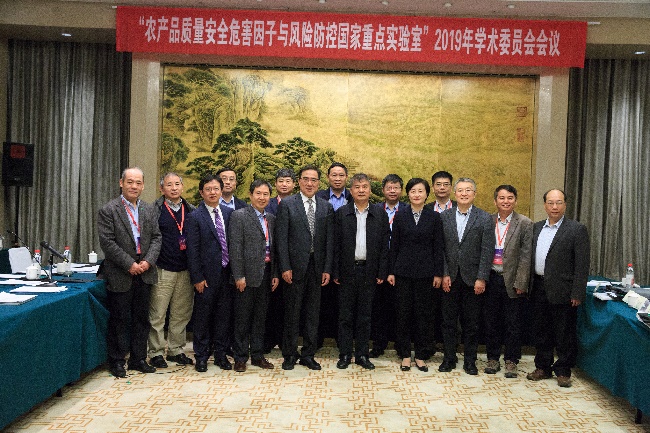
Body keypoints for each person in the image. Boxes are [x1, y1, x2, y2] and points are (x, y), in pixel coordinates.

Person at [98, 167, 162, 378]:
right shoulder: (109, 210)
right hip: (121, 273)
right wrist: (129, 264)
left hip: (145, 271)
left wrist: (147, 261)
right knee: (119, 319)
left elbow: (157, 238)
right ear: (121, 183)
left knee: (142, 319)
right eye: (130, 182)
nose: (134, 186)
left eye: (138, 183)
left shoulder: (148, 209)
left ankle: (138, 359)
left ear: (143, 186)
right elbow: (108, 243)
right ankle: (117, 361)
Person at [527, 189, 589, 388]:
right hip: (538, 286)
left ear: (565, 204)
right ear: (545, 205)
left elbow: (582, 265)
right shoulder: (536, 228)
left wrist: (577, 292)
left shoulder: (576, 229)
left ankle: (563, 370)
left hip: (564, 289)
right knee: (541, 330)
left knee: (564, 333)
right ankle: (542, 367)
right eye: (551, 203)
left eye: (559, 202)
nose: (555, 207)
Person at [276, 164, 334, 371]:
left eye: (314, 180)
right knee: (292, 313)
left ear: (319, 183)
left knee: (313, 313)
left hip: (317, 268)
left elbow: (329, 241)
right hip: (293, 268)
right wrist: (285, 266)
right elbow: (281, 239)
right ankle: (289, 354)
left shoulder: (326, 206)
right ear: (299, 181)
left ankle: (308, 354)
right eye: (306, 179)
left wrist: (327, 268)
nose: (310, 183)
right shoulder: (287, 204)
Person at [333, 173, 390, 370]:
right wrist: (335, 271)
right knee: (345, 316)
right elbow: (336, 245)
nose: (361, 190)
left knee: (365, 316)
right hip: (347, 271)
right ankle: (345, 354)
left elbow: (384, 247)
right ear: (351, 191)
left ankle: (362, 355)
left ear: (370, 190)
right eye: (357, 187)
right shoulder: (342, 213)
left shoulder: (379, 214)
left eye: (364, 186)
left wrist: (382, 271)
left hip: (369, 271)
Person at [387, 178, 444, 372]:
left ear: (427, 194)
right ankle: (404, 354)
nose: (417, 194)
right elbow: (394, 245)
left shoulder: (434, 217)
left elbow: (438, 247)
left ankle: (421, 354)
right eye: (413, 191)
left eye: (420, 191)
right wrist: (391, 271)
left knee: (423, 315)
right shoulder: (400, 216)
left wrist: (438, 273)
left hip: (426, 274)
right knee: (403, 314)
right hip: (403, 273)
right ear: (408, 194)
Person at [439, 177, 494, 375]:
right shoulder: (444, 217)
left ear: (474, 194)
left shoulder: (485, 218)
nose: (464, 193)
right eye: (460, 190)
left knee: (471, 323)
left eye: (468, 190)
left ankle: (470, 361)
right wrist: (444, 273)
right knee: (448, 322)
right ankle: (449, 358)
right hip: (450, 278)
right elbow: (440, 249)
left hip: (473, 279)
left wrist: (482, 278)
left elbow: (487, 250)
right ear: (455, 194)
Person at [229, 180, 280, 372]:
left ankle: (258, 356)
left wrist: (275, 273)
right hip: (246, 276)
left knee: (260, 318)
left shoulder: (271, 218)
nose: (262, 197)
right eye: (258, 193)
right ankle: (240, 357)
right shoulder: (239, 216)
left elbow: (274, 249)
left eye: (266, 194)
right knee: (242, 318)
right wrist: (239, 276)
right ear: (250, 195)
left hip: (266, 273)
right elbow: (235, 248)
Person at [186, 174, 234, 372]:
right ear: (201, 192)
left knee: (224, 316)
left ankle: (221, 354)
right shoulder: (195, 216)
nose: (212, 192)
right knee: (203, 317)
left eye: (216, 189)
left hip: (227, 275)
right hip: (205, 277)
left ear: (221, 191)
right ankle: (202, 356)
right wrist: (197, 277)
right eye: (208, 189)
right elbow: (192, 250)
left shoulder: (229, 213)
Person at [483, 185, 533, 377]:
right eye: (502, 198)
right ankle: (492, 358)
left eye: (510, 198)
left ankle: (511, 361)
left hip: (512, 280)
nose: (506, 201)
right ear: (495, 201)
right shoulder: (488, 221)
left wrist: (521, 282)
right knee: (491, 322)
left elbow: (526, 256)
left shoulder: (525, 223)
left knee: (513, 323)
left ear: (515, 201)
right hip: (491, 278)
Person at [147, 172, 196, 369]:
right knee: (157, 314)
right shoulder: (154, 210)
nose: (174, 188)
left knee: (181, 314)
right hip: (162, 269)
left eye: (177, 184)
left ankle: (176, 350)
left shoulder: (190, 210)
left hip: (185, 270)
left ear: (182, 187)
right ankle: (156, 352)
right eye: (169, 185)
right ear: (162, 189)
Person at [370, 174, 407, 358]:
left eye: (396, 187)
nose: (392, 191)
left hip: (401, 264)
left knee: (401, 307)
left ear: (401, 190)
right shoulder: (375, 210)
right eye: (389, 188)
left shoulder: (408, 210)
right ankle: (379, 344)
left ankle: (401, 345)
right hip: (378, 264)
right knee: (379, 307)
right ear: (383, 190)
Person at [315, 162, 352, 347]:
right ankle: (318, 338)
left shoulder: (354, 197)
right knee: (321, 301)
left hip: (347, 256)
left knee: (343, 302)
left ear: (346, 178)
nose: (337, 179)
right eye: (334, 175)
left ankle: (342, 340)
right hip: (322, 255)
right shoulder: (318, 197)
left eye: (341, 175)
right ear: (328, 177)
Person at [263, 168, 296, 353]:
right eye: (281, 181)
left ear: (294, 184)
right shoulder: (267, 204)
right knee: (270, 304)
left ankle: (286, 341)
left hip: (292, 262)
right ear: (275, 184)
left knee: (288, 305)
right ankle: (268, 339)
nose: (284, 184)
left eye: (288, 181)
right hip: (270, 260)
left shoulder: (298, 204)